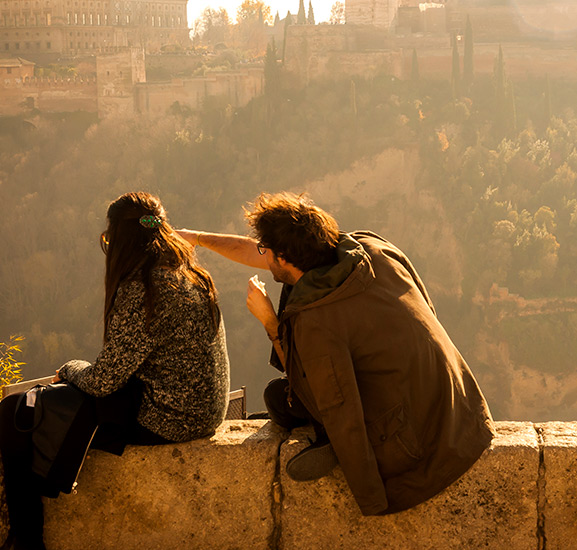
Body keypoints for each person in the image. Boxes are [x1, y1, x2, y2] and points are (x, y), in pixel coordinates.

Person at [178, 191, 494, 516]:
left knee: (278, 396)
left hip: (417, 445)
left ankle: (324, 439)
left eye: (266, 250)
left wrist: (271, 322)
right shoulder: (371, 248)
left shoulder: (317, 320)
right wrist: (197, 238)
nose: (262, 255)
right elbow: (426, 308)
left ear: (284, 257)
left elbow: (337, 404)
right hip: (460, 407)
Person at [0, 192, 230, 550]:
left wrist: (69, 368)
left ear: (117, 240)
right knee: (52, 405)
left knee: (16, 410)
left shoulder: (145, 288)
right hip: (203, 410)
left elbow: (104, 380)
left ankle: (24, 543)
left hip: (169, 415)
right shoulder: (189, 275)